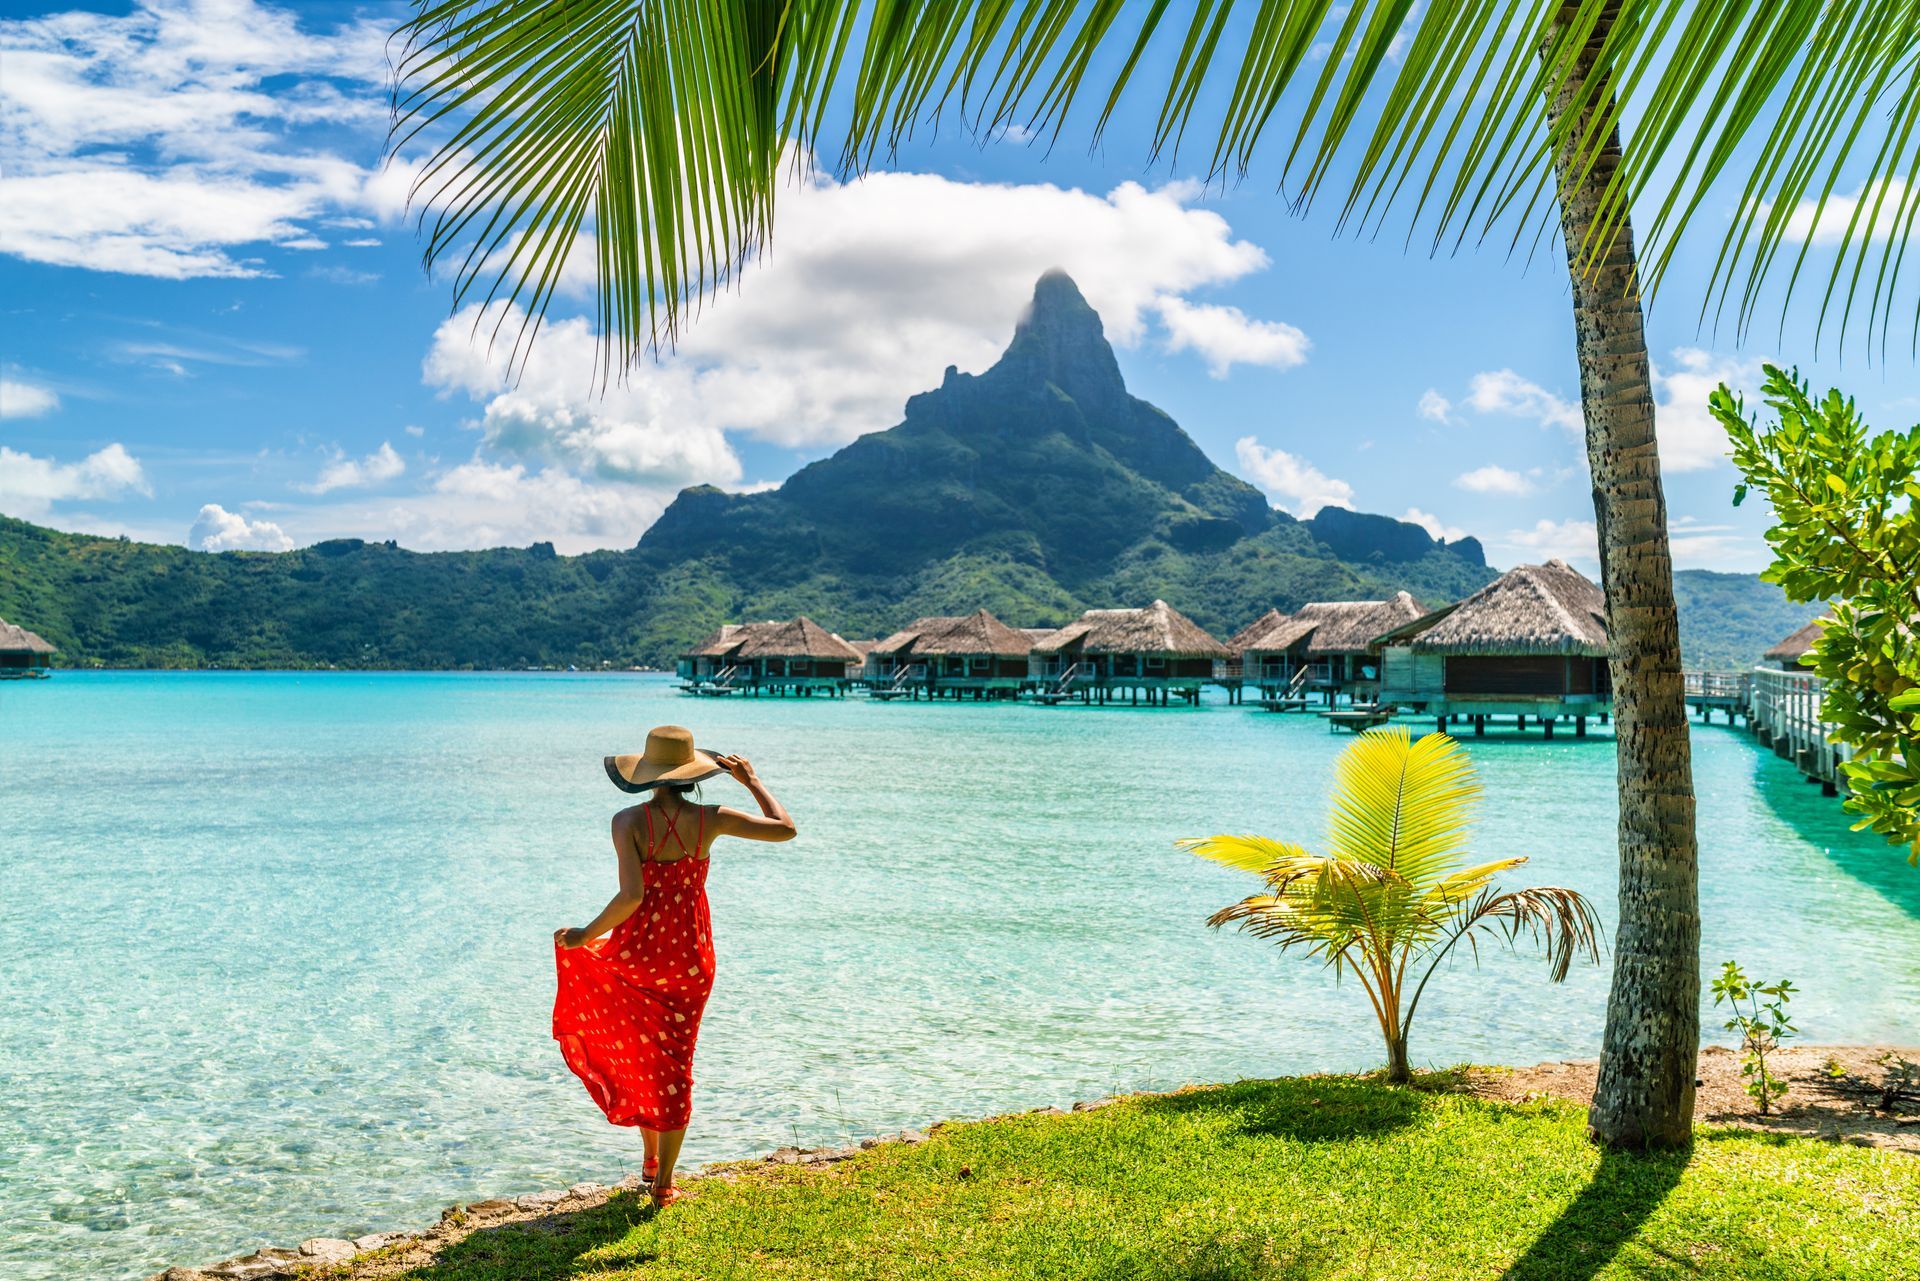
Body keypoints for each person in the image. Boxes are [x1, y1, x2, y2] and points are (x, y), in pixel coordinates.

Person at [552, 725, 795, 1207]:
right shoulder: (712, 818)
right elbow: (785, 829)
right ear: (693, 774)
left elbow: (632, 897)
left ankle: (649, 1159)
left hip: (638, 955)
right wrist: (752, 781)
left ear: (645, 775)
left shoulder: (627, 822)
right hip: (689, 959)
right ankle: (663, 1183)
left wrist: (585, 935)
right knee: (675, 1062)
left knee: (641, 1053)